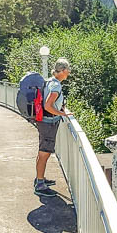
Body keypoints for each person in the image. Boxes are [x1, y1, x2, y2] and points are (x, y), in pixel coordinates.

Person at [34, 59, 72, 197]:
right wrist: (63, 113)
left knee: (42, 152)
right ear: (62, 71)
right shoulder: (55, 86)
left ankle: (40, 178)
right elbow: (48, 106)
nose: (68, 73)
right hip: (48, 123)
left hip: (44, 121)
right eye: (68, 70)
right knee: (44, 153)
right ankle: (39, 185)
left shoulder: (50, 81)